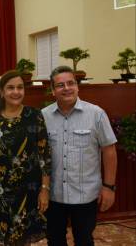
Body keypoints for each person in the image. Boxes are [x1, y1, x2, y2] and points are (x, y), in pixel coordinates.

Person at [42, 66, 118, 246]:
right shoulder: (43, 116)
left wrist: (109, 187)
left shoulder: (96, 114)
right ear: (53, 91)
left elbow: (109, 151)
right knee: (54, 240)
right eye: (60, 85)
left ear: (77, 86)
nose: (66, 88)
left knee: (84, 240)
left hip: (85, 195)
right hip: (53, 196)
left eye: (71, 83)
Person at [0, 70, 51, 245]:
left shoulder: (34, 116)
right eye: (10, 88)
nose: (16, 92)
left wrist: (45, 189)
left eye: (20, 87)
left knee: (24, 239)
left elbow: (44, 155)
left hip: (29, 191)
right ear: (1, 91)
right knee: (5, 239)